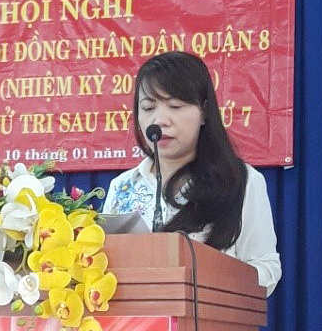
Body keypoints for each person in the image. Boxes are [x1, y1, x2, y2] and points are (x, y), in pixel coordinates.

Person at [102, 51, 282, 296]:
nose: (159, 120)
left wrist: (209, 279)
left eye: (175, 106)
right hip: (136, 319)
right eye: (148, 107)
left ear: (204, 112)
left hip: (210, 317)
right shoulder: (122, 186)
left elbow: (267, 269)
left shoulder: (241, 181)